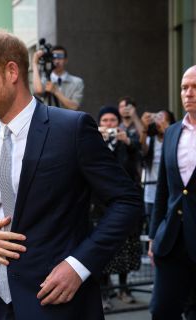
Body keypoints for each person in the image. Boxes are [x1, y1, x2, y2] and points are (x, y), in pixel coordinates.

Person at [0, 29, 142, 320]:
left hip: (59, 305)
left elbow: (127, 202)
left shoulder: (72, 128)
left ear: (12, 71)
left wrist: (79, 265)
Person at [148, 65, 196, 319]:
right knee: (161, 311)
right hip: (172, 241)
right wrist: (154, 236)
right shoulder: (172, 133)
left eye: (195, 87)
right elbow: (163, 191)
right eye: (184, 87)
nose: (188, 93)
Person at [95, 106, 142, 310]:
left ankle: (124, 288)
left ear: (118, 123)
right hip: (100, 205)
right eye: (104, 120)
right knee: (103, 249)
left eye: (112, 120)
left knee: (126, 247)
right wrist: (97, 140)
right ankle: (104, 293)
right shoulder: (92, 141)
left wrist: (128, 143)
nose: (109, 124)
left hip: (124, 203)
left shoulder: (127, 141)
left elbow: (136, 164)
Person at [140, 109, 175, 235]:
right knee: (153, 226)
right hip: (150, 191)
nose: (159, 121)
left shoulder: (174, 139)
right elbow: (143, 151)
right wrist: (144, 127)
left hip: (169, 190)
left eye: (163, 119)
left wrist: (168, 131)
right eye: (157, 118)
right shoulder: (152, 139)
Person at [32, 45, 84, 110]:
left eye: (60, 57)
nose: (57, 61)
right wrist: (34, 63)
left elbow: (74, 106)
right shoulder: (45, 79)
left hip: (68, 119)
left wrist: (55, 91)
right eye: (54, 58)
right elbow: (38, 91)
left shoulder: (77, 82)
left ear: (66, 60)